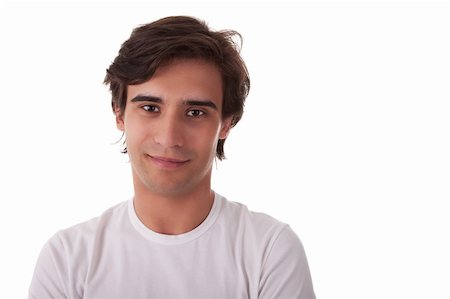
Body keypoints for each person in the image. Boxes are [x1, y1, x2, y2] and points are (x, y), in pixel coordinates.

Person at [29, 16, 315, 299]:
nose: (168, 138)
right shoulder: (66, 259)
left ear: (226, 123)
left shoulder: (270, 251)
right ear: (119, 113)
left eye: (195, 113)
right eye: (150, 108)